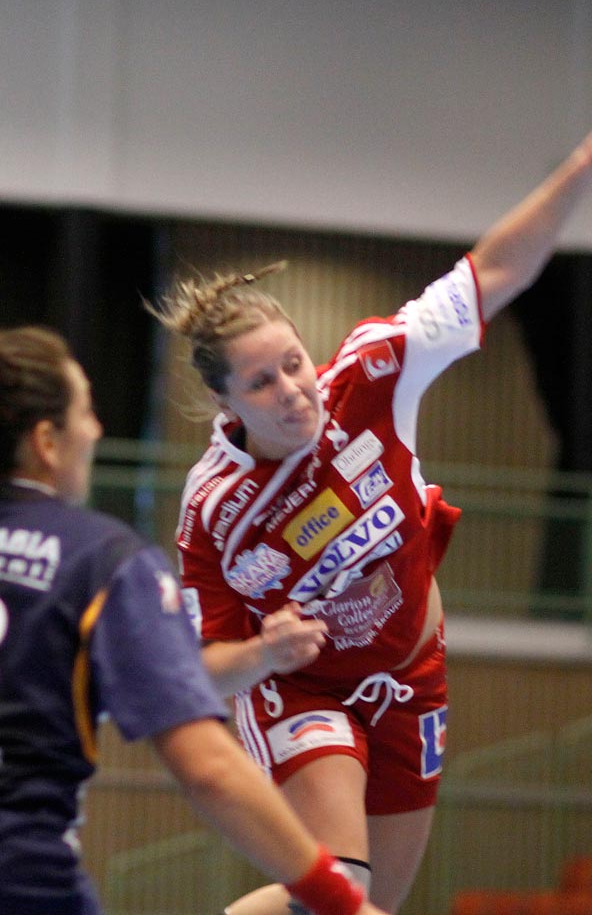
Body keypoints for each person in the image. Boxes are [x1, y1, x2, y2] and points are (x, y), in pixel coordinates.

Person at [149, 84, 592, 915]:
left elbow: (495, 271)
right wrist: (263, 655)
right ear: (227, 405)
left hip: (413, 676)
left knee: (369, 910)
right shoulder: (216, 508)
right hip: (306, 691)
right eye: (262, 381)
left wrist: (589, 160)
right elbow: (195, 674)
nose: (293, 389)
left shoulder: (371, 374)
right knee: (343, 891)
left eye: (292, 360)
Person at [0, 326, 389, 915]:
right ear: (47, 442)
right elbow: (208, 768)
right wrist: (342, 902)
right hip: (24, 878)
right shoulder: (100, 560)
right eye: (87, 412)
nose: (97, 431)